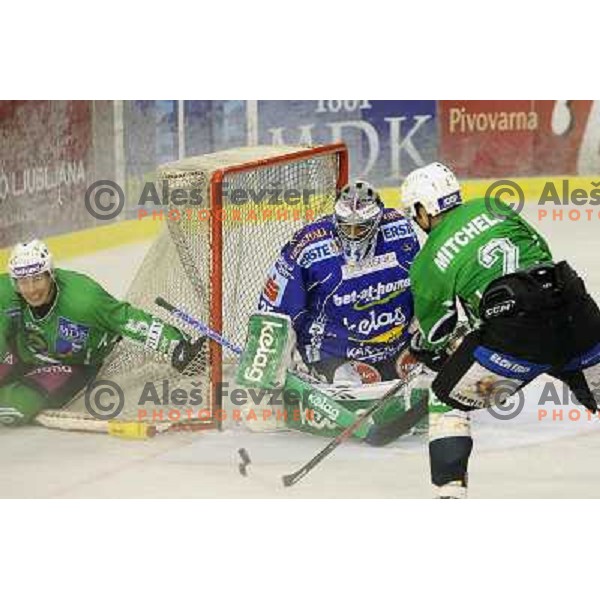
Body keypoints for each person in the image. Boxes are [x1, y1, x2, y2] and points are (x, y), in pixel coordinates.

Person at [401, 162, 600, 498]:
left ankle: (450, 496)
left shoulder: (427, 260)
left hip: (516, 339)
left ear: (423, 208)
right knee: (590, 382)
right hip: (573, 306)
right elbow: (540, 253)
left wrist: (428, 348)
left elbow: (437, 335)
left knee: (448, 400)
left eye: (414, 213)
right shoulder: (492, 206)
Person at [0, 239, 203, 426]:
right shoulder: (7, 294)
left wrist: (175, 344)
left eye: (37, 279)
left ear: (50, 275)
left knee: (16, 408)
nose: (31, 289)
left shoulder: (85, 300)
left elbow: (126, 319)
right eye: (23, 281)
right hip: (23, 355)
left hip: (72, 364)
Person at [258, 180, 420, 384]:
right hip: (333, 354)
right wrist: (267, 369)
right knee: (352, 397)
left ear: (377, 221)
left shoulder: (401, 230)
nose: (352, 235)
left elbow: (422, 282)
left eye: (360, 228)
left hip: (395, 348)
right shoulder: (308, 246)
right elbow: (274, 309)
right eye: (346, 226)